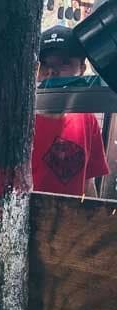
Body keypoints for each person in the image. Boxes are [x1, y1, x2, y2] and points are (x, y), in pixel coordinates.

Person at [32, 25, 109, 197]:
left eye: (64, 62)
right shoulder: (22, 121)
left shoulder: (87, 119)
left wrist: (92, 221)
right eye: (44, 64)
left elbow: (88, 184)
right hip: (25, 218)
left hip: (68, 219)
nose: (51, 71)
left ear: (82, 69)